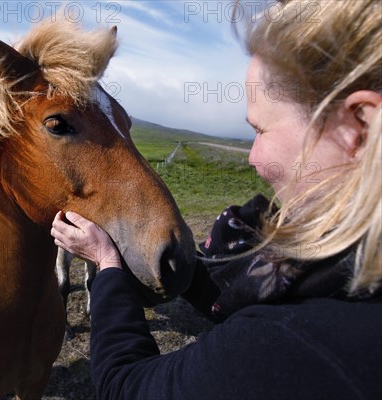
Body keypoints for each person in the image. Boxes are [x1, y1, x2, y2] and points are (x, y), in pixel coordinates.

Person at [51, 1, 381, 399]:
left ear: (356, 126)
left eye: (260, 129)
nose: (254, 157)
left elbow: (127, 386)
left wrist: (106, 265)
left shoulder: (286, 345)